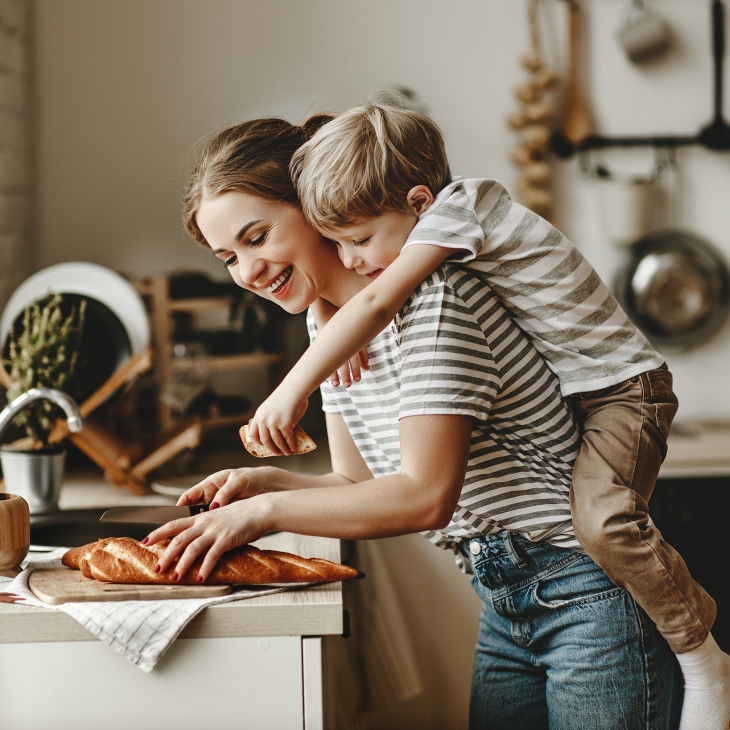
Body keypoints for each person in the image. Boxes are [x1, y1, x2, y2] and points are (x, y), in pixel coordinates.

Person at [145, 115, 684, 728]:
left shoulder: (435, 298)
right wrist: (260, 485)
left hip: (587, 592)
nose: (247, 272)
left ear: (313, 203)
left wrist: (260, 517)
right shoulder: (325, 328)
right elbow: (354, 482)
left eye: (258, 236)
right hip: (504, 598)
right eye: (228, 258)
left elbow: (425, 496)